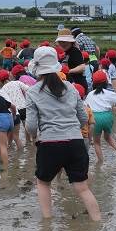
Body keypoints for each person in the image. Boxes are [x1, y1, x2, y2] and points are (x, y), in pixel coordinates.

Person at [25, 46, 101, 221]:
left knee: (43, 183)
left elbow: (30, 125)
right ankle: (97, 221)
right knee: (82, 188)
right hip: (75, 142)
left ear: (37, 69)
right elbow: (83, 117)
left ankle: (47, 224)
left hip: (49, 144)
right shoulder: (70, 87)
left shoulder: (33, 91)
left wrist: (36, 135)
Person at [0, 67, 30, 147]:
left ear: (0, 82)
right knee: (26, 126)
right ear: (8, 77)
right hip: (24, 107)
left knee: (15, 132)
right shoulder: (17, 82)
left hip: (15, 110)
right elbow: (28, 89)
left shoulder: (3, 89)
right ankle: (28, 142)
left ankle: (10, 145)